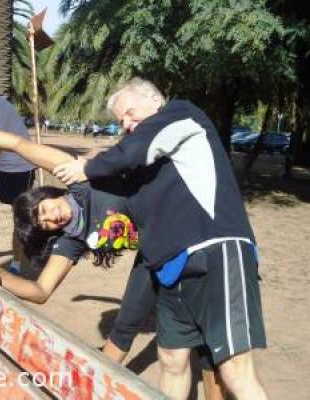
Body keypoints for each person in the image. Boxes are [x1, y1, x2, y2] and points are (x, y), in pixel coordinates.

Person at [0, 119, 228, 400]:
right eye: (45, 225)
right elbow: (41, 291)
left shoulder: (82, 182)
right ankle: (96, 389)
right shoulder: (72, 239)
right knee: (125, 325)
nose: (51, 217)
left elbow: (17, 144)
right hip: (155, 257)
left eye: (44, 209)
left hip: (192, 235)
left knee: (207, 345)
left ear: (47, 195)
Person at [53, 77, 267, 400]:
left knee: (236, 370)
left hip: (216, 250)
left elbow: (132, 151)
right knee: (171, 360)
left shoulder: (182, 114)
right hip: (170, 268)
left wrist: (89, 166)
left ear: (155, 100)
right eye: (120, 121)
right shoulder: (147, 164)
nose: (125, 124)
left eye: (128, 112)